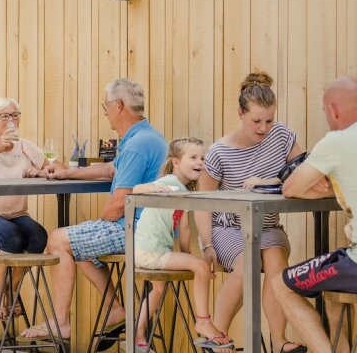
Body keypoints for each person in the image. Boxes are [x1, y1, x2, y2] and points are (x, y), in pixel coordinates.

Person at [20, 78, 168, 342]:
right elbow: (111, 169)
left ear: (119, 106)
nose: (105, 113)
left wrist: (98, 223)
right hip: (150, 227)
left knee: (57, 239)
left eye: (106, 107)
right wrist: (67, 173)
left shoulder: (136, 145)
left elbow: (119, 203)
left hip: (135, 230)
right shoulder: (146, 136)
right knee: (78, 244)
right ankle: (114, 310)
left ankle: (61, 322)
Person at [195, 71, 307, 352]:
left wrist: (272, 181)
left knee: (276, 265)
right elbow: (202, 202)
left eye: (269, 120)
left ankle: (278, 340)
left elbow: (304, 175)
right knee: (247, 263)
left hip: (267, 225)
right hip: (227, 228)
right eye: (256, 121)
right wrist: (207, 245)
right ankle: (216, 336)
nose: (264, 128)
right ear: (240, 114)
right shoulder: (220, 151)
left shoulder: (281, 135)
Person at [273, 76, 357, 353]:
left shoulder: (337, 141)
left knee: (281, 284)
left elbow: (291, 186)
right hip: (348, 266)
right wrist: (334, 186)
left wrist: (319, 186)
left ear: (333, 110)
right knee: (333, 287)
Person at [127, 137, 233, 353]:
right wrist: (153, 188)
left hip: (146, 250)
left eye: (202, 158)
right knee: (202, 266)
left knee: (158, 290)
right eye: (193, 157)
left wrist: (188, 257)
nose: (200, 162)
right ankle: (203, 321)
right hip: (151, 252)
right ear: (175, 162)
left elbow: (184, 229)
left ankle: (137, 335)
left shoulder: (183, 189)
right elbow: (136, 189)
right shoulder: (170, 183)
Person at [0, 97, 53, 319]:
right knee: (12, 236)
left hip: (16, 214)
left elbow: (53, 166)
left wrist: (43, 171)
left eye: (15, 115)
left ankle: (10, 289)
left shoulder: (25, 146)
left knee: (38, 236)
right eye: (4, 116)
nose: (11, 121)